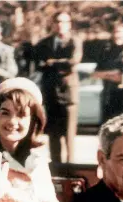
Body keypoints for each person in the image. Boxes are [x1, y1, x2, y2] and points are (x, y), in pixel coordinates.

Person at [34, 10, 83, 163]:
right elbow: (39, 64)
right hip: (50, 94)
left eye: (65, 22)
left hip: (69, 95)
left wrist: (52, 63)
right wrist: (59, 64)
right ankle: (56, 169)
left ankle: (70, 168)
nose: (61, 25)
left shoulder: (75, 41)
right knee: (53, 136)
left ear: (69, 25)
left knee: (69, 137)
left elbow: (73, 61)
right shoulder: (45, 43)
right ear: (53, 24)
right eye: (58, 22)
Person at [92, 19, 123, 123]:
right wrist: (111, 74)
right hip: (107, 94)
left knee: (120, 126)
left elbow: (121, 76)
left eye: (121, 32)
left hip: (122, 94)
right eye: (116, 32)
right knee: (106, 127)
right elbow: (95, 74)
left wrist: (104, 74)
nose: (118, 35)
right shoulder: (106, 50)